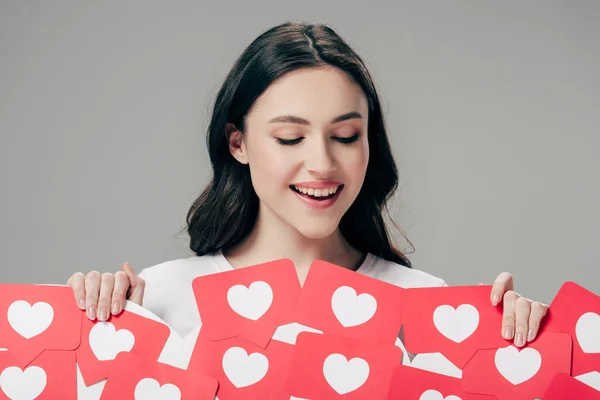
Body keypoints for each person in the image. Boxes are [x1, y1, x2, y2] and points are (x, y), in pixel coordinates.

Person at [67, 21, 547, 349]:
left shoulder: (426, 304)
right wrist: (91, 327)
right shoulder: (159, 297)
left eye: (345, 136)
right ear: (238, 143)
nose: (321, 163)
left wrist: (526, 350)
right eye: (290, 137)